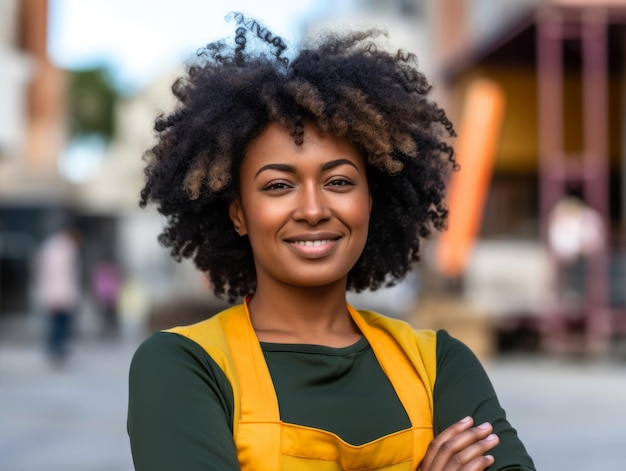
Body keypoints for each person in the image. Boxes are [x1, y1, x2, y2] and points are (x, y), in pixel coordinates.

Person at [128, 13, 535, 471]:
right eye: (278, 186)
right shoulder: (184, 365)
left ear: (371, 201)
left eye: (339, 182)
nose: (313, 208)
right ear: (238, 213)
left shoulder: (438, 364)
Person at [36, 224, 81, 365]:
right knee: (59, 325)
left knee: (56, 324)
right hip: (60, 294)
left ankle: (55, 350)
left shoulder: (50, 246)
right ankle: (56, 350)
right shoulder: (66, 249)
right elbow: (64, 275)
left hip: (56, 294)